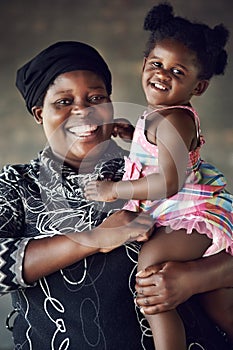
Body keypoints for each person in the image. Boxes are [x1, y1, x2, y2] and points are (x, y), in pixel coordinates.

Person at [0, 41, 232, 350]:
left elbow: (221, 228)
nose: (83, 111)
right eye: (64, 101)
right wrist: (95, 238)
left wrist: (197, 277)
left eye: (96, 98)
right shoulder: (17, 185)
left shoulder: (150, 173)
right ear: (40, 113)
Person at [84, 3, 233, 350]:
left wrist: (115, 189)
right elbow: (156, 151)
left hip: (192, 215)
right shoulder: (160, 116)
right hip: (179, 211)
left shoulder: (175, 120)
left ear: (199, 87)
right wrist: (130, 134)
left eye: (178, 72)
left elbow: (169, 181)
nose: (163, 74)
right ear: (144, 63)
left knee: (151, 278)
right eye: (156, 63)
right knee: (219, 304)